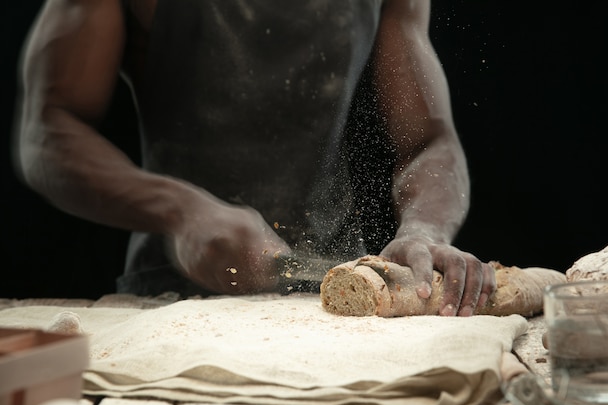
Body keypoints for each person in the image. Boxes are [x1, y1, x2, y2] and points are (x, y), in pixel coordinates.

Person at [14, 0, 495, 316]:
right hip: (170, 296)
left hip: (340, 296)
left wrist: (423, 230)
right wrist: (180, 210)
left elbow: (429, 140)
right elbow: (50, 128)